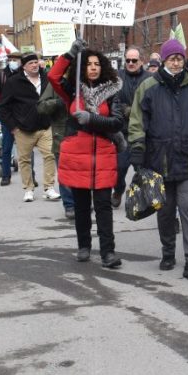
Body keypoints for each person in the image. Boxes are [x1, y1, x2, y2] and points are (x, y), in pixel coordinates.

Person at [128, 39, 188, 279]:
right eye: (172, 58)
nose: (176, 62)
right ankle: (168, 251)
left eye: (179, 58)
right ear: (164, 60)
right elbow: (137, 121)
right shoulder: (148, 87)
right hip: (159, 160)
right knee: (165, 212)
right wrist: (137, 147)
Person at [48, 40, 124, 268]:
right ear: (83, 67)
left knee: (102, 206)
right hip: (77, 155)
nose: (93, 67)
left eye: (97, 64)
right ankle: (83, 246)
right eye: (89, 64)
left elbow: (117, 122)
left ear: (103, 67)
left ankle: (108, 252)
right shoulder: (73, 90)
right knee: (81, 206)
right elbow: (53, 76)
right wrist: (70, 54)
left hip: (102, 154)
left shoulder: (112, 92)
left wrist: (92, 119)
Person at [0, 52, 61, 203]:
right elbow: (3, 108)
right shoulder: (14, 82)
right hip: (23, 129)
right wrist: (13, 127)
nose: (34, 65)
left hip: (45, 126)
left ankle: (49, 188)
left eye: (35, 62)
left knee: (50, 155)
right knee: (25, 160)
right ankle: (28, 189)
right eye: (30, 63)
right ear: (24, 66)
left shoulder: (47, 79)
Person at [38, 58, 76, 220]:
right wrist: (59, 103)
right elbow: (41, 107)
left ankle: (84, 202)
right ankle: (69, 204)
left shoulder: (84, 84)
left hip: (83, 136)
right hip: (62, 136)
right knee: (66, 174)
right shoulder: (55, 86)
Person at [114, 47, 152, 207]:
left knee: (143, 168)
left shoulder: (150, 79)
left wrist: (138, 110)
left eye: (134, 60)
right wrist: (125, 109)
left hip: (144, 132)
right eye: (127, 60)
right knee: (120, 167)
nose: (130, 63)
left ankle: (142, 196)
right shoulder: (117, 78)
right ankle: (118, 189)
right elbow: (112, 100)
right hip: (122, 132)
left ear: (141, 61)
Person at [0, 51, 23, 185]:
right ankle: (6, 175)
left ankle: (31, 176)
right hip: (7, 117)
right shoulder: (2, 75)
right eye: (11, 59)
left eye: (16, 59)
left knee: (27, 150)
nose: (13, 62)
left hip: (23, 116)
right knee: (6, 148)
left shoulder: (25, 74)